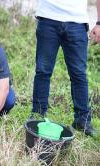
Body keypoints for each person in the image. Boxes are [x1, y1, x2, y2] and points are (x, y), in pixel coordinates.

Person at [31, 0, 100, 137]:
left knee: (79, 75)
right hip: (48, 18)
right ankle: (37, 116)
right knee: (43, 71)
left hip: (77, 22)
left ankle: (82, 121)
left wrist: (99, 23)